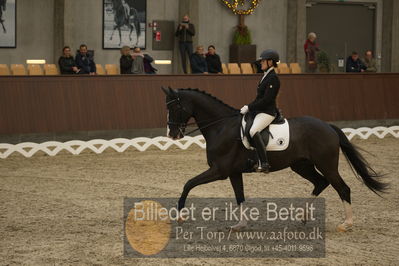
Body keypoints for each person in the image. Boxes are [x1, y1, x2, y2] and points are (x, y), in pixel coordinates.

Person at [240, 49, 281, 173]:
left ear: (270, 62)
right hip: (260, 110)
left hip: (268, 112)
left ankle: (264, 163)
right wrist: (250, 107)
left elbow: (267, 100)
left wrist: (249, 107)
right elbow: (259, 98)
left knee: (253, 130)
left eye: (263, 61)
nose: (261, 63)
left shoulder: (273, 78)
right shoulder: (265, 76)